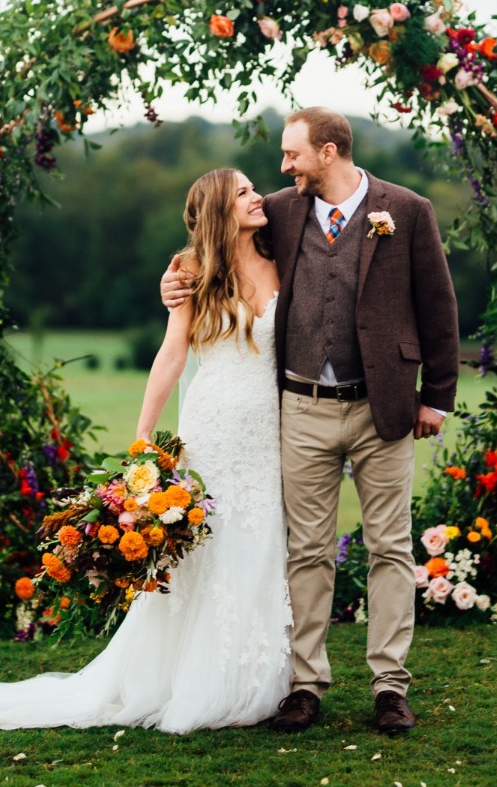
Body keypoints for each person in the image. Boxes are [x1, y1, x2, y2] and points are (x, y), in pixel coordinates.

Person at [0, 168, 291, 733]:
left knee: (258, 544)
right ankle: (191, 683)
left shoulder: (282, 252)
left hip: (267, 433)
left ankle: (255, 678)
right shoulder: (190, 271)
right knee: (203, 552)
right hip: (213, 428)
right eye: (243, 192)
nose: (257, 195)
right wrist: (143, 441)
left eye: (252, 187)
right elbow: (172, 356)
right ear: (220, 209)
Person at [162, 108, 458, 734]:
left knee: (390, 548)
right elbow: (213, 232)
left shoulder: (406, 209)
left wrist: (437, 395)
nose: (282, 167)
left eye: (293, 154)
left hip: (385, 407)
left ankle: (389, 686)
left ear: (328, 152)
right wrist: (172, 281)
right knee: (307, 552)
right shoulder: (282, 208)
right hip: (300, 409)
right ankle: (306, 684)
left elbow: (438, 307)